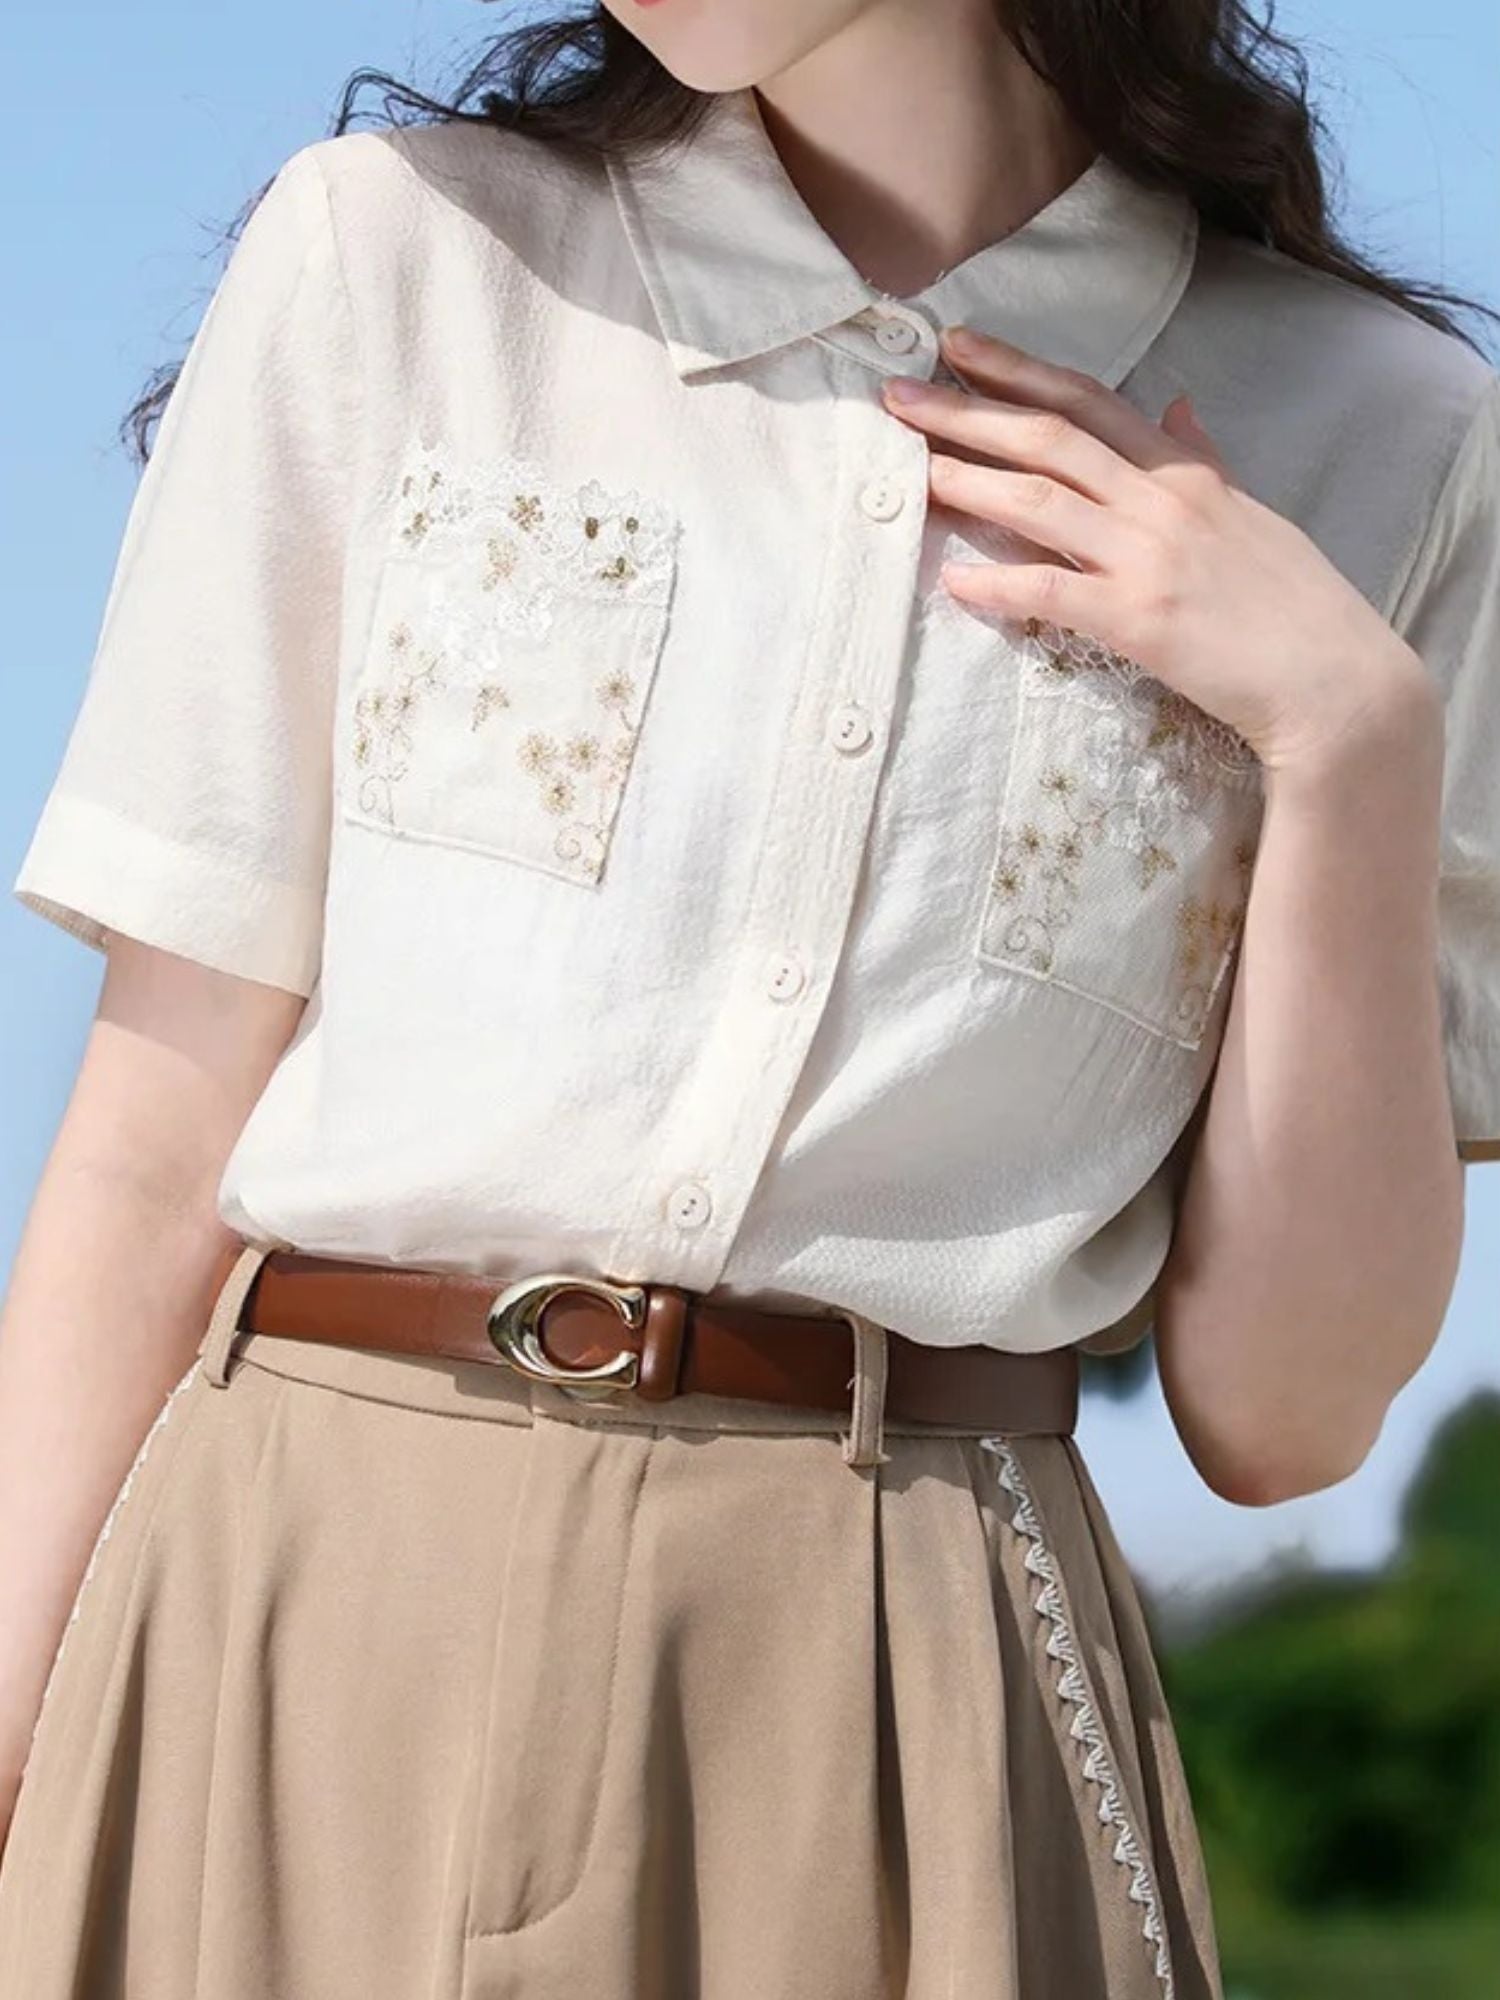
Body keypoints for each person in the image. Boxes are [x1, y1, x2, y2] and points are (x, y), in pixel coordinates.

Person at [1, 2, 1496, 1994]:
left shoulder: (1379, 434)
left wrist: (1345, 730)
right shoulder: (394, 258)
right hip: (285, 1617)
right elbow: (145, 1163)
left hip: (896, 1687)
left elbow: (1288, 1415)